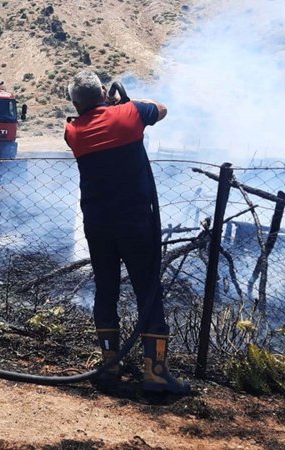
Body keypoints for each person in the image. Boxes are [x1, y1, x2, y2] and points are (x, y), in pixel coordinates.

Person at [64, 70, 190, 394]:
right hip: (134, 222)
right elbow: (160, 109)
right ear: (103, 91)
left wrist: (105, 103)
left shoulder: (72, 132)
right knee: (147, 291)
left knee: (106, 290)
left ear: (76, 104)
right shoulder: (130, 115)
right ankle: (156, 372)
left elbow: (91, 117)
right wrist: (120, 101)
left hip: (97, 224)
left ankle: (109, 365)